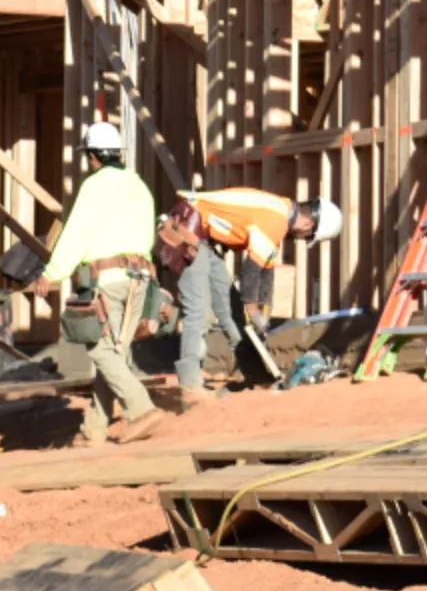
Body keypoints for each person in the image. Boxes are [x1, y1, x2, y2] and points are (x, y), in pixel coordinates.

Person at [36, 121, 166, 446]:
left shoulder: (95, 186)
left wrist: (52, 273)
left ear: (93, 157)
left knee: (99, 349)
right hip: (140, 280)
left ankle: (141, 408)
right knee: (115, 355)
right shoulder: (137, 185)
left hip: (108, 280)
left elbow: (76, 234)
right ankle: (93, 431)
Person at [160, 187, 342, 405]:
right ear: (307, 224)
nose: (301, 239)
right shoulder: (276, 220)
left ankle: (255, 374)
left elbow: (266, 270)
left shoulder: (282, 211)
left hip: (203, 240)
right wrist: (254, 311)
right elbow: (250, 271)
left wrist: (264, 311)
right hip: (189, 231)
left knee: (232, 309)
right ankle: (190, 387)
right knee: (197, 311)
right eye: (307, 237)